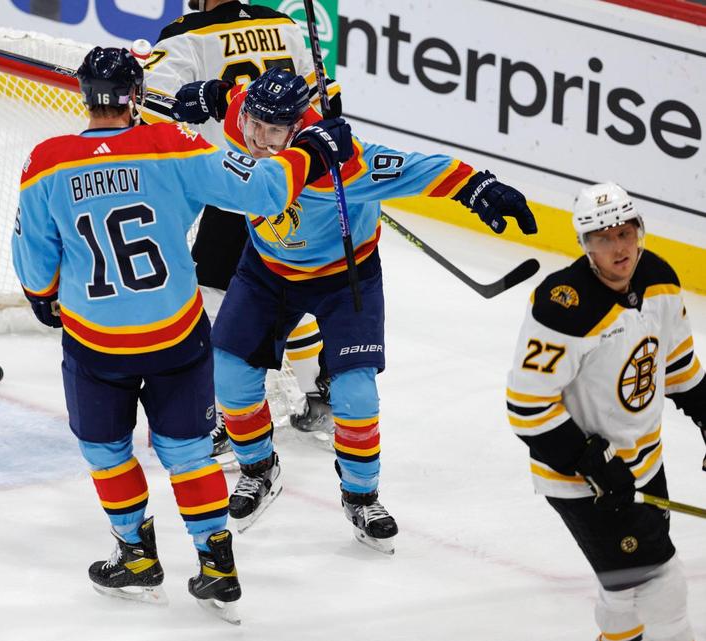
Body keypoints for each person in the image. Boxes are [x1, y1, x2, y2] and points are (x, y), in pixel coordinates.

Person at [10, 46, 344, 622]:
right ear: (137, 95)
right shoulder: (178, 144)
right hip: (176, 337)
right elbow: (265, 192)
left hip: (96, 344)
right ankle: (218, 565)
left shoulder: (46, 162)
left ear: (84, 96)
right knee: (190, 454)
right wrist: (312, 146)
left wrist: (43, 297)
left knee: (106, 451)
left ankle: (136, 556)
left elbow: (35, 261)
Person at [171, 68, 539, 550]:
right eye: (254, 126)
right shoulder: (247, 113)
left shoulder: (346, 165)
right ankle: (260, 468)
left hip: (345, 277)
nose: (258, 140)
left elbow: (420, 168)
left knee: (356, 394)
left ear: (298, 128)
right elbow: (233, 98)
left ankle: (361, 497)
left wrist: (479, 189)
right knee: (230, 375)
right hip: (266, 270)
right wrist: (212, 95)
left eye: (273, 131)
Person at [141, 0, 345, 452]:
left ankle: (230, 417)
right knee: (287, 285)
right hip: (294, 181)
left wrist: (198, 100)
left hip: (235, 183)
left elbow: (150, 107)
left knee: (214, 296)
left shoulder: (185, 34)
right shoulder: (286, 25)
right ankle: (320, 392)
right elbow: (328, 101)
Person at [506, 183, 704, 641]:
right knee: (662, 588)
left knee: (623, 589)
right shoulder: (564, 305)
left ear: (640, 231)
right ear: (585, 245)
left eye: (625, 232)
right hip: (582, 480)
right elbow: (527, 405)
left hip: (645, 462)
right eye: (603, 238)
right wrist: (592, 463)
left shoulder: (660, 279)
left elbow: (676, 367)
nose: (618, 247)